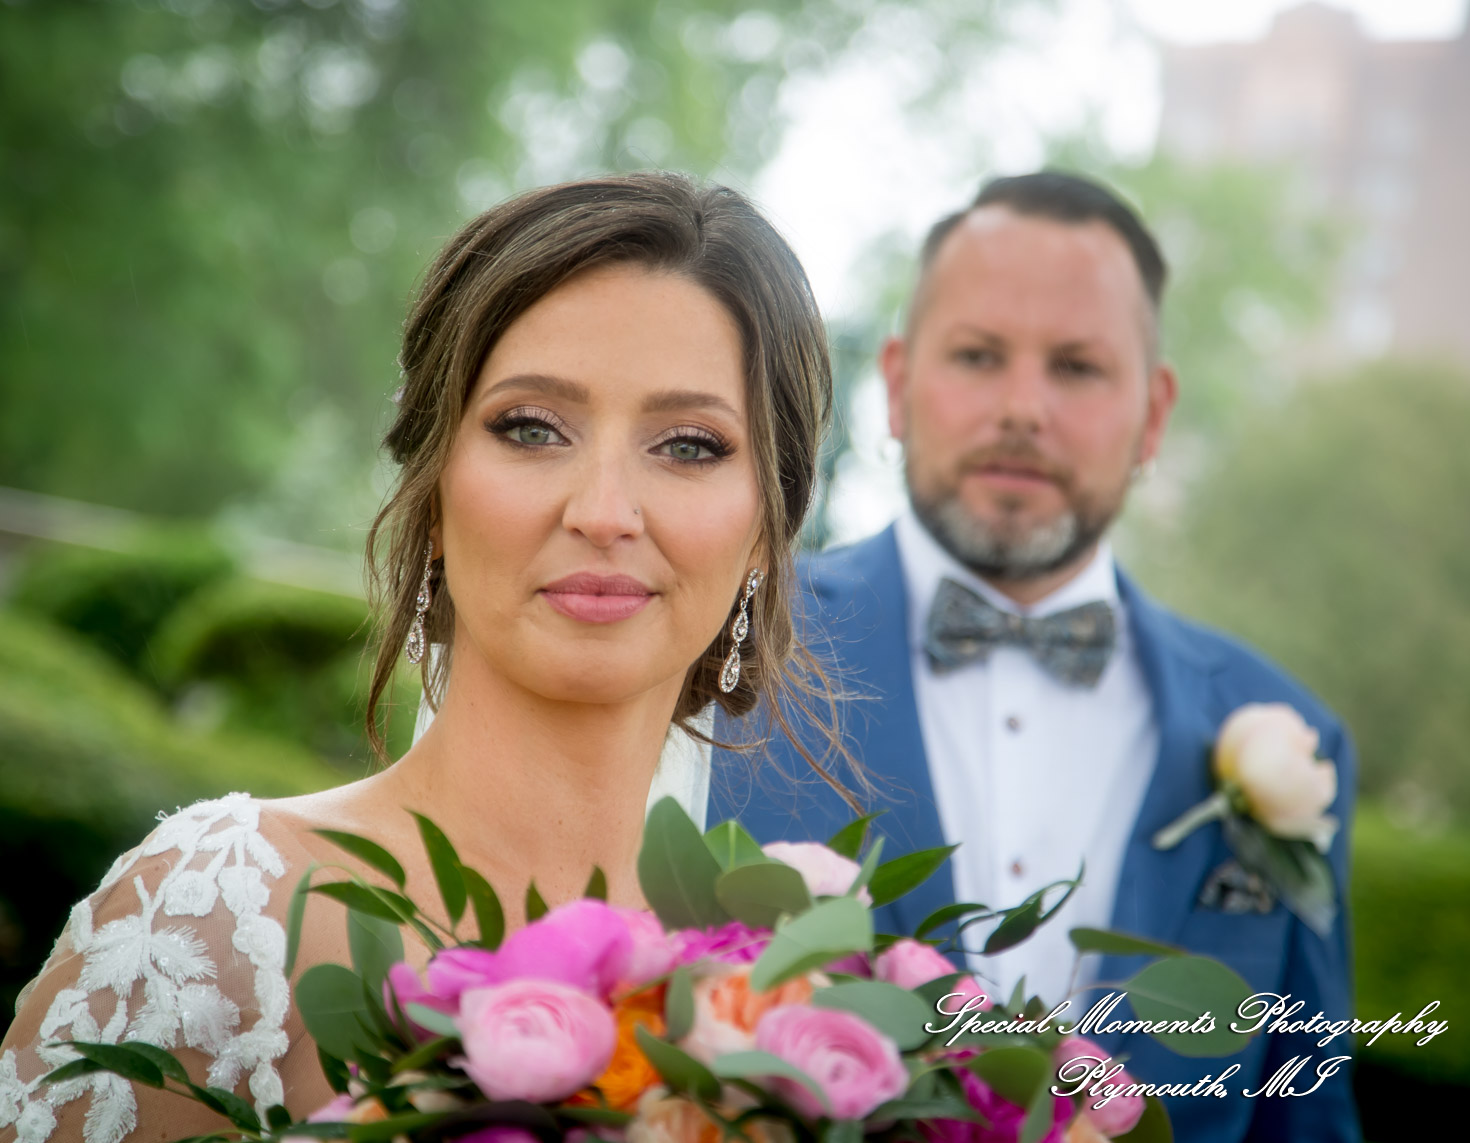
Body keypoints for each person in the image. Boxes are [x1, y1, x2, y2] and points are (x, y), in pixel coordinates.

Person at [0, 172, 850, 1142]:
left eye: (690, 445)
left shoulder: (781, 998)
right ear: (433, 488)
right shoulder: (217, 916)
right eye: (532, 429)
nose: (604, 512)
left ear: (766, 530)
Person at [709, 172, 1359, 1143]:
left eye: (1078, 367)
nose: (1022, 407)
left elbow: (1306, 1119)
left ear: (1153, 413)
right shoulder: (714, 652)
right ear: (894, 386)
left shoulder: (1293, 744)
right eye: (976, 356)